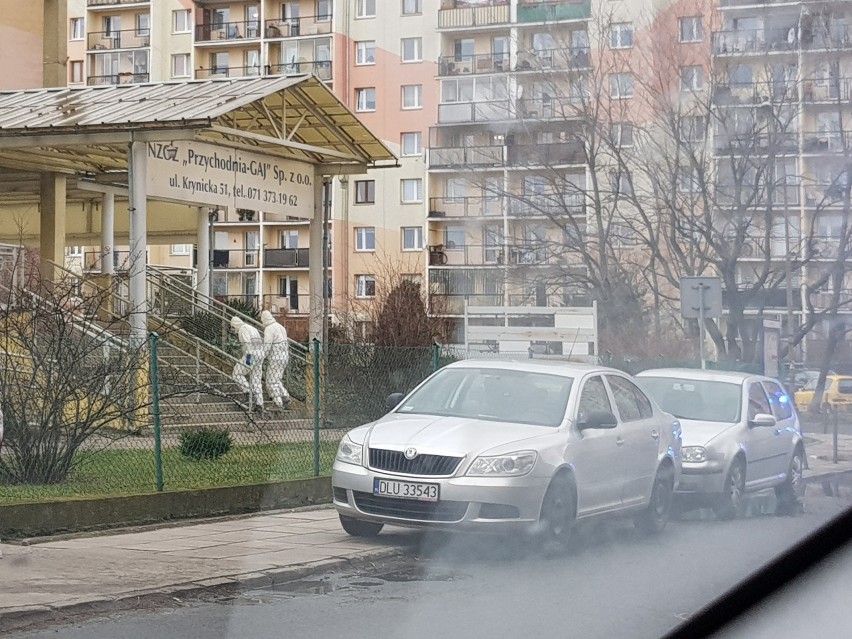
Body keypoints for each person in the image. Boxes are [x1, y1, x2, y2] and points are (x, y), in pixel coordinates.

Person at [230, 316, 265, 411]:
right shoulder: (252, 328)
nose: (233, 329)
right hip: (260, 354)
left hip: (251, 355)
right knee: (256, 379)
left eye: (233, 327)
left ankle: (247, 392)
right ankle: (259, 404)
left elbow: (247, 344)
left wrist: (248, 359)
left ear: (235, 325)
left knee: (236, 373)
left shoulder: (242, 329)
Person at [260, 310, 291, 408]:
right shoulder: (280, 327)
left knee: (270, 381)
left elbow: (267, 345)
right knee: (276, 379)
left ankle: (277, 402)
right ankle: (285, 396)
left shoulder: (269, 329)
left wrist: (262, 356)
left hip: (275, 357)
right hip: (284, 356)